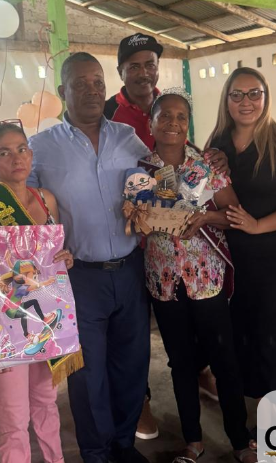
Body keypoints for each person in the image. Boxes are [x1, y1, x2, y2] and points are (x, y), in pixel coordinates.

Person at [28, 52, 152, 463]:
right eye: (80, 84)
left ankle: (124, 444)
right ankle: (96, 456)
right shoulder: (42, 147)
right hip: (78, 277)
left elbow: (161, 176)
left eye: (98, 82)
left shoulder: (128, 137)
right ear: (63, 91)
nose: (92, 91)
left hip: (130, 269)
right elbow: (20, 200)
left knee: (132, 364)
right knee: (87, 373)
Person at [141, 87, 264, 463]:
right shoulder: (141, 171)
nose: (173, 123)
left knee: (224, 360)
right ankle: (192, 441)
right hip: (164, 281)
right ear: (151, 123)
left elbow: (234, 214)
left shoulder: (207, 165)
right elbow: (135, 222)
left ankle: (240, 441)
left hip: (205, 278)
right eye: (165, 115)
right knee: (180, 363)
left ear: (188, 124)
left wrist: (206, 218)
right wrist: (137, 216)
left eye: (181, 116)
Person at [105, 33, 222, 440]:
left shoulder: (171, 107)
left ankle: (201, 371)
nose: (143, 72)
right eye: (133, 65)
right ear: (121, 71)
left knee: (191, 322)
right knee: (137, 331)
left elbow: (194, 168)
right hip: (130, 242)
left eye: (149, 64)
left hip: (177, 245)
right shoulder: (109, 114)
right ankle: (141, 400)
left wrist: (214, 159)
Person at [207, 67, 276, 452]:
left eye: (254, 93)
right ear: (226, 100)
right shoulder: (217, 143)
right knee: (245, 337)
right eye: (237, 94)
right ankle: (259, 413)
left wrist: (258, 226)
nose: (246, 102)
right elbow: (205, 194)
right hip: (234, 260)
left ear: (266, 97)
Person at [0, 120, 74, 463]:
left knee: (46, 403)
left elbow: (55, 257)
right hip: (4, 326)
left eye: (22, 149)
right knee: (14, 418)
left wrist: (65, 259)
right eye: (5, 152)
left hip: (45, 320)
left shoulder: (46, 200)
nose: (17, 158)